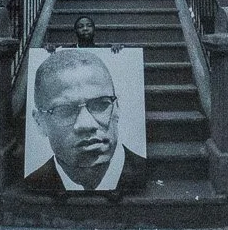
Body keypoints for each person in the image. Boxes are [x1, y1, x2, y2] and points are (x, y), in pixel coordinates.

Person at [21, 48, 149, 195]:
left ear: (117, 107)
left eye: (100, 104)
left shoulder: (146, 173)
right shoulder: (33, 185)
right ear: (39, 122)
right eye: (65, 110)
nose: (87, 124)